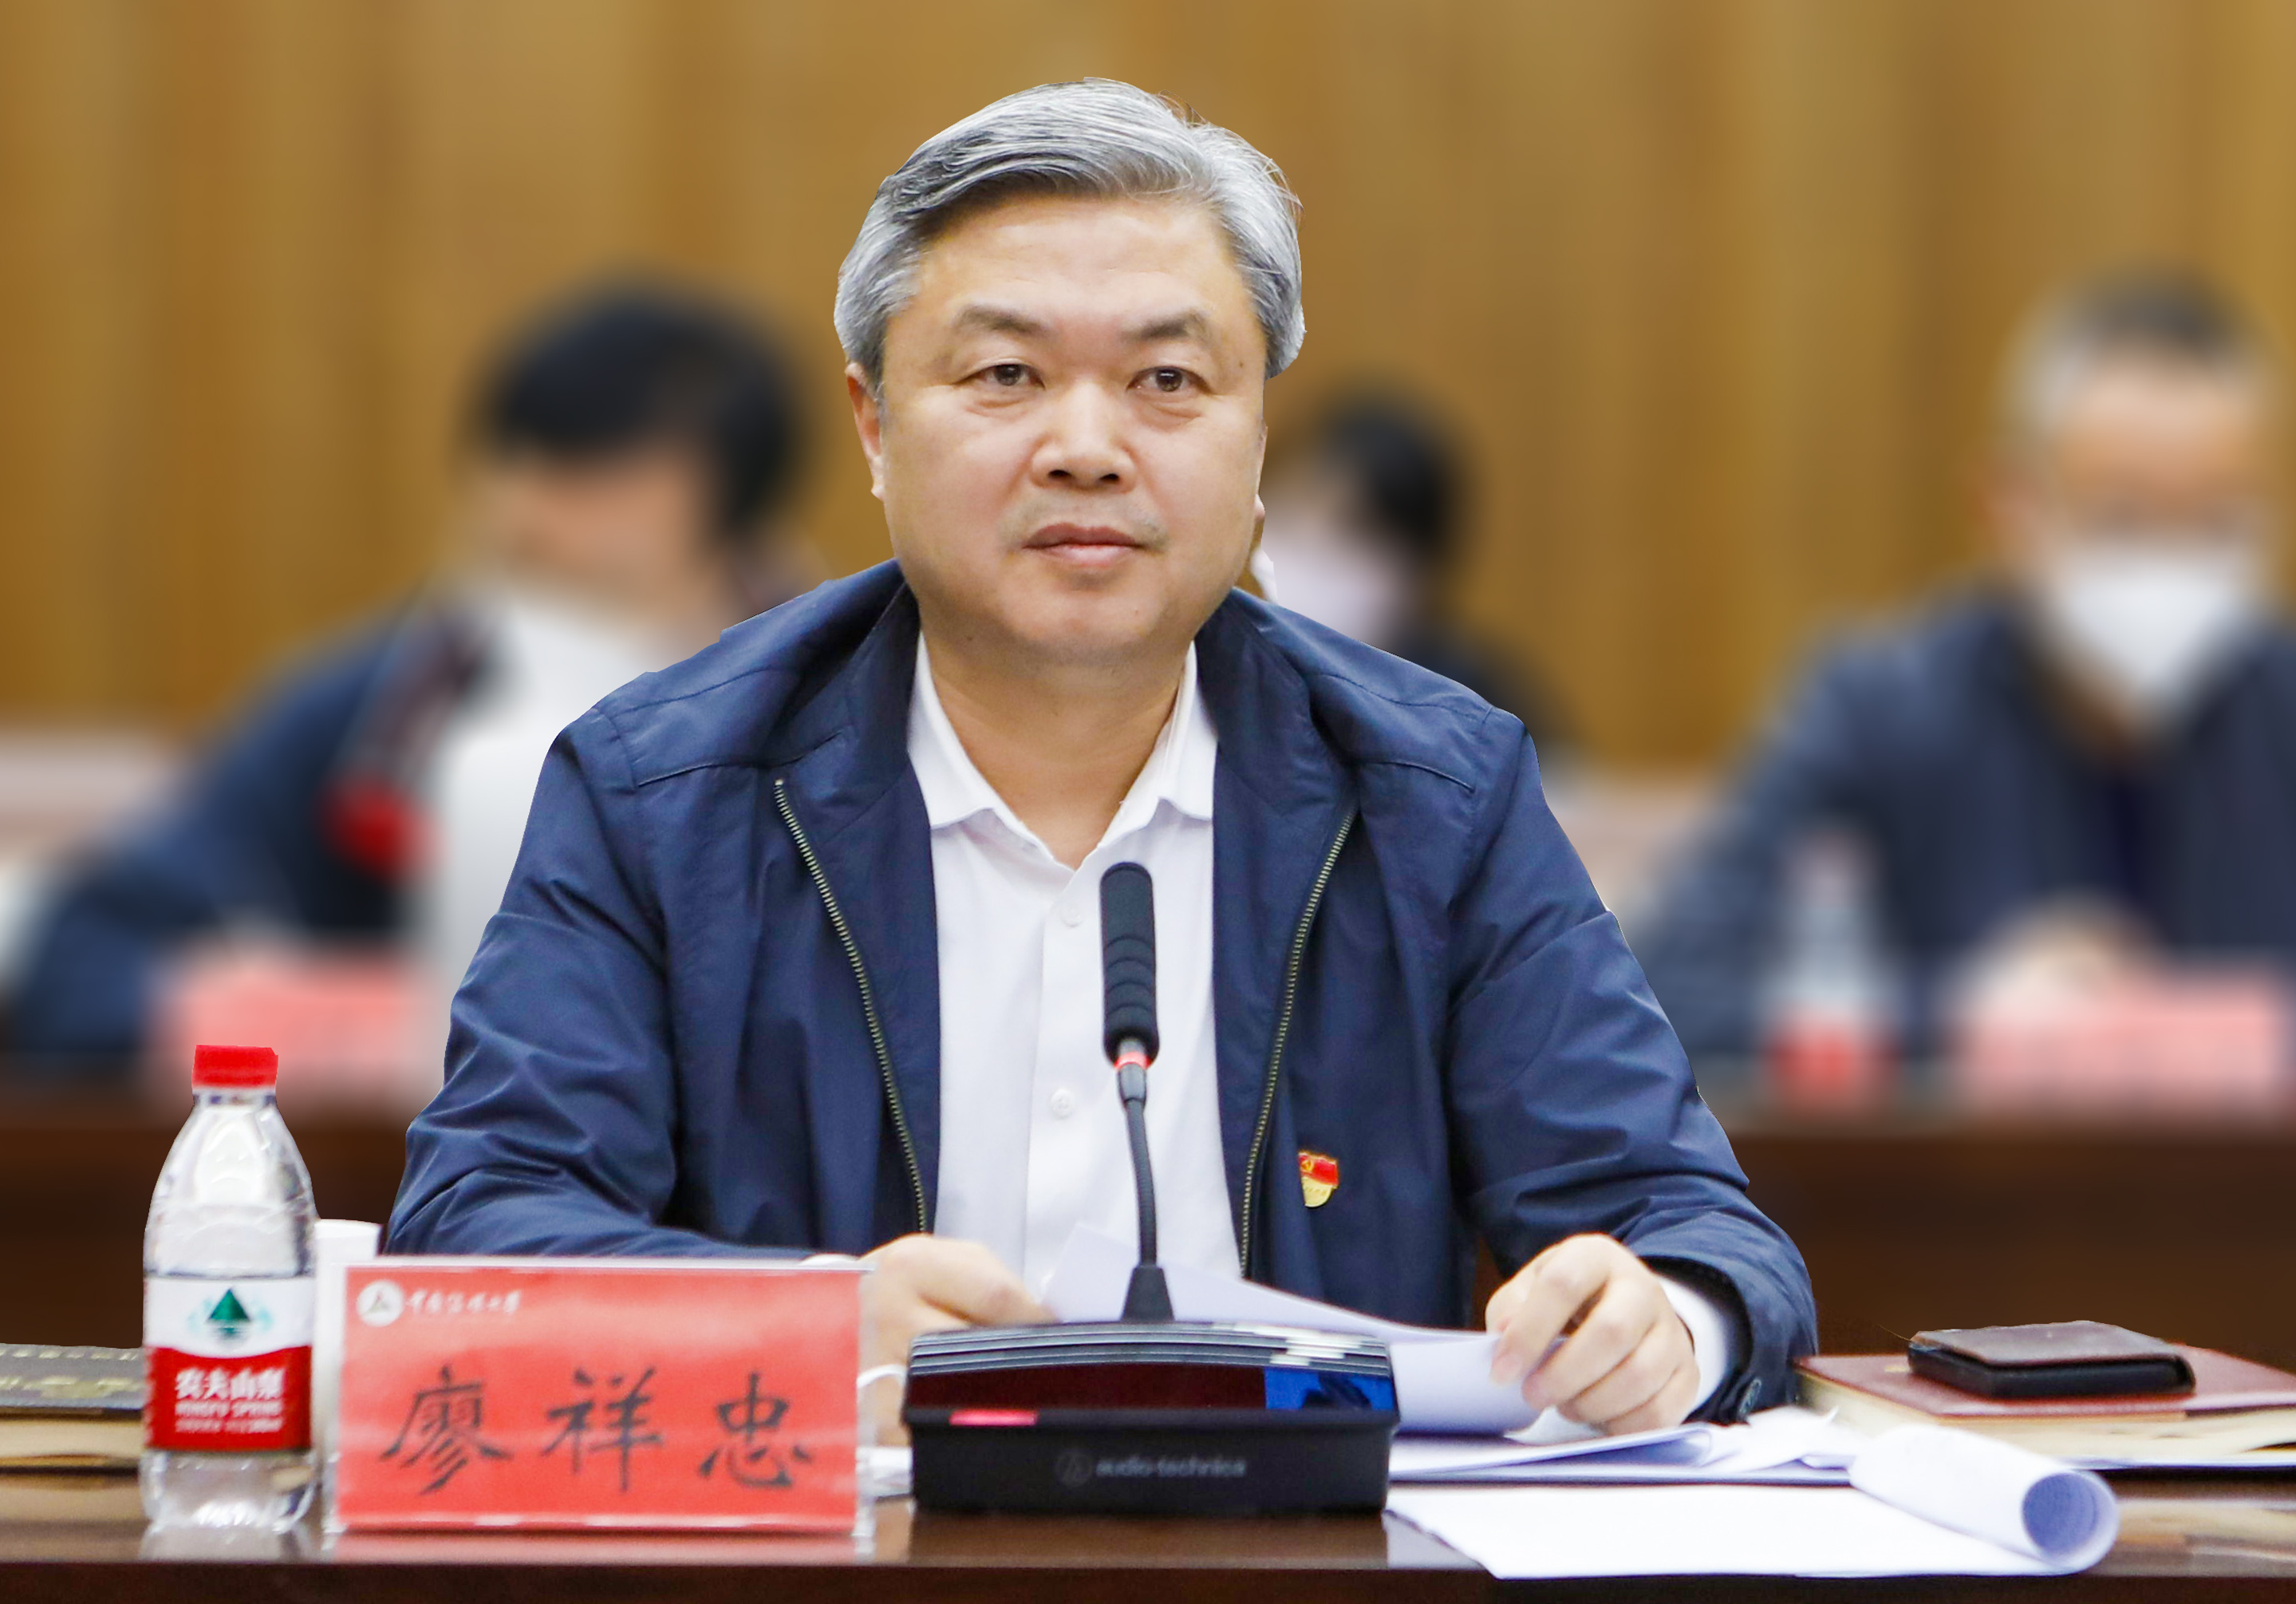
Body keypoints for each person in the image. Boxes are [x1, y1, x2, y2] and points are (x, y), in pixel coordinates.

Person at [390, 81, 1814, 1434]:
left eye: (1167, 379)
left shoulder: (1434, 796)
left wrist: (1665, 1324)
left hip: (1308, 1556)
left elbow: (1694, 1231)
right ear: (874, 426)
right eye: (1006, 374)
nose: (1087, 446)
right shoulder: (660, 794)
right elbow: (476, 1231)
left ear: (1257, 438)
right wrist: (800, 1326)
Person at [3, 284, 801, 1077]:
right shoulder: (381, 713)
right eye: (520, 467)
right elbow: (82, 970)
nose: (530, 512)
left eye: (597, 480)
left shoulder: (827, 701)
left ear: (720, 505)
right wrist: (364, 1022)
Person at [1635, 271, 2294, 1060]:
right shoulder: (1878, 711)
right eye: (2121, 517)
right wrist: (1958, 1012)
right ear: (2009, 507)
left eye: (2217, 520)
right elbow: (1669, 995)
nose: (2170, 563)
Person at [1258, 393, 1572, 756]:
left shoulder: (1478, 713)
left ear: (1418, 574)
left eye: (1356, 530)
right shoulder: (1224, 665)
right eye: (1294, 506)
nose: (1312, 542)